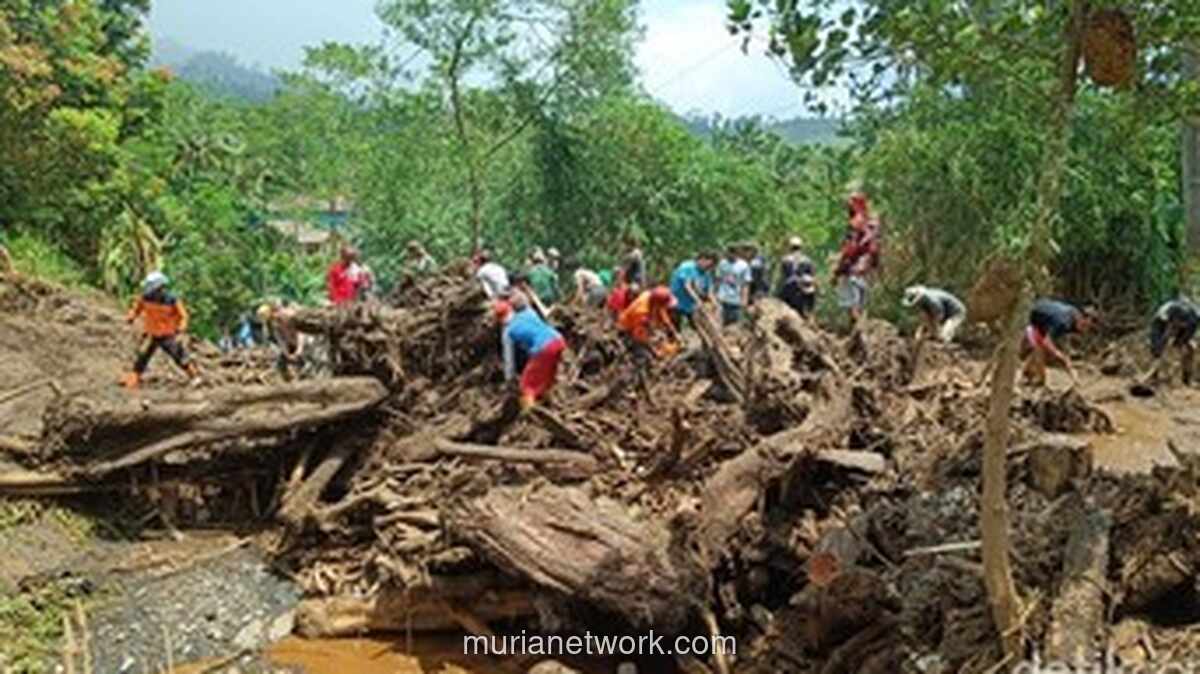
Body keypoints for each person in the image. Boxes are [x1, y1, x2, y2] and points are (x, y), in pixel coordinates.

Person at [121, 271, 199, 389]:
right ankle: (133, 380)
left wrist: (180, 329)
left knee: (179, 356)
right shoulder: (145, 298)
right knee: (142, 357)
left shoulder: (172, 300)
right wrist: (131, 317)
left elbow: (183, 316)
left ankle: (194, 377)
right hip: (151, 334)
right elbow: (136, 309)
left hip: (168, 334)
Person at [499, 293, 568, 411]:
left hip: (544, 347)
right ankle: (551, 408)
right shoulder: (529, 313)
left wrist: (509, 380)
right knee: (547, 379)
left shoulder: (507, 332)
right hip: (559, 340)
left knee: (526, 385)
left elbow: (508, 359)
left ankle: (530, 417)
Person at [1022, 299, 1099, 386]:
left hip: (1045, 318)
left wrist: (1067, 362)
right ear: (1080, 318)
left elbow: (1063, 340)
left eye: (1087, 328)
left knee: (1044, 348)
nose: (1084, 330)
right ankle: (1037, 379)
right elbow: (1047, 342)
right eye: (1084, 326)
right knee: (1041, 349)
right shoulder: (1063, 322)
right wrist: (1059, 355)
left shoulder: (1073, 314)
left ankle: (1026, 373)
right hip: (1035, 318)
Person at [833, 192, 882, 327]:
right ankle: (859, 335)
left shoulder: (856, 222)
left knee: (852, 307)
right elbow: (874, 250)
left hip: (853, 270)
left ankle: (859, 336)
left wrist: (838, 270)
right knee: (860, 306)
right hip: (865, 270)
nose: (847, 208)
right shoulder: (871, 223)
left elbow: (850, 249)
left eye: (850, 204)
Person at [1148, 297, 1200, 385]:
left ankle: (1186, 379)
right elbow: (1166, 331)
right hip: (1161, 324)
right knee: (1158, 350)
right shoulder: (1164, 315)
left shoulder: (1194, 318)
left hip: (1181, 323)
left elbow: (1184, 338)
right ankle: (1154, 375)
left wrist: (1179, 344)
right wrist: (1163, 345)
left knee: (1190, 349)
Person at [618, 286, 679, 359]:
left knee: (659, 338)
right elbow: (640, 336)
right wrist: (654, 351)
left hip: (640, 326)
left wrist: (674, 332)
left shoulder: (650, 296)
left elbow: (662, 314)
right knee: (647, 357)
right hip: (627, 330)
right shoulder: (642, 313)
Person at [259, 301, 309, 381]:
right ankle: (287, 382)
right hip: (291, 344)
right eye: (271, 319)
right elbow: (280, 340)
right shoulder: (274, 324)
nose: (273, 320)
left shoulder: (289, 316)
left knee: (308, 362)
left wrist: (300, 349)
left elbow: (301, 332)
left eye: (273, 317)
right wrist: (287, 354)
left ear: (274, 312)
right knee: (281, 361)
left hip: (306, 342)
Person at [903, 285, 967, 343]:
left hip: (956, 313)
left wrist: (930, 329)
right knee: (934, 330)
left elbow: (940, 315)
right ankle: (936, 337)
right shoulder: (923, 303)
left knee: (944, 334)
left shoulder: (932, 300)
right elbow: (925, 318)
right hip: (944, 312)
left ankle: (944, 346)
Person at [669, 252, 717, 329]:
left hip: (690, 305)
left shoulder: (706, 273)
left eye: (710, 266)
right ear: (702, 259)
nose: (708, 268)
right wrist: (699, 301)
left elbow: (709, 290)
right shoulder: (687, 267)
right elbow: (688, 287)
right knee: (675, 327)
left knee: (700, 327)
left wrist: (714, 302)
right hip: (677, 302)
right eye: (708, 265)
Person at [777, 237, 817, 318]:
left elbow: (783, 275)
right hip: (803, 286)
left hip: (789, 286)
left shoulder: (785, 259)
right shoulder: (807, 260)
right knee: (810, 298)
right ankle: (810, 314)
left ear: (790, 247)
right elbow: (812, 275)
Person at [715, 244, 752, 326]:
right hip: (722, 298)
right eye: (729, 253)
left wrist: (745, 299)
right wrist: (715, 295)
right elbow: (718, 279)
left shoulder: (744, 265)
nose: (730, 255)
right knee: (720, 322)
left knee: (734, 325)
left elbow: (745, 284)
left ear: (737, 254)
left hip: (736, 299)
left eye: (733, 253)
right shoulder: (722, 263)